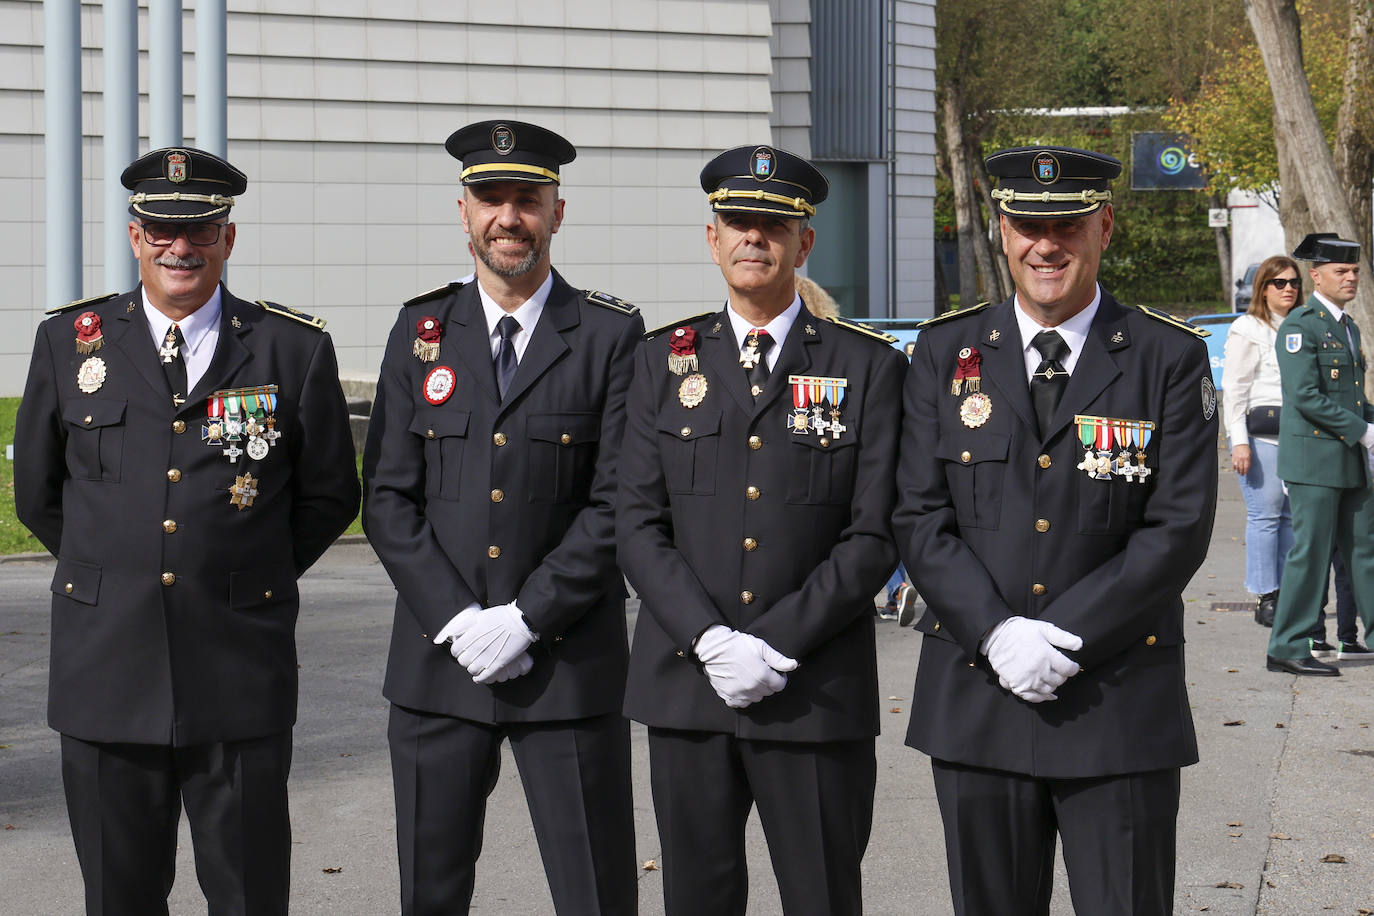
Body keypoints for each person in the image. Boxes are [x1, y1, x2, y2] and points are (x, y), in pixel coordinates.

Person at [13, 147, 360, 914]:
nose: (180, 247)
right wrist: (116, 565)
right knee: (119, 895)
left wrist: (246, 569)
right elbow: (40, 493)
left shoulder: (291, 350)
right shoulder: (71, 345)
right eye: (161, 229)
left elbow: (330, 494)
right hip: (107, 669)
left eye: (199, 230)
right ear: (135, 237)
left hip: (237, 664)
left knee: (248, 893)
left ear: (227, 239)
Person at [894, 145, 1219, 915]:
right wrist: (999, 634)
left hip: (1117, 705)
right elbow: (917, 511)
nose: (1048, 245)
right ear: (1003, 232)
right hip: (978, 695)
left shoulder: (1167, 356)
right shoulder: (946, 351)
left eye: (1068, 225)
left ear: (1104, 226)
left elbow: (1177, 528)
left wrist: (1060, 636)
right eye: (1028, 225)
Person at [616, 145, 906, 914]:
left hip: (813, 687)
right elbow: (637, 523)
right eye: (738, 222)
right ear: (711, 239)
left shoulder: (868, 367)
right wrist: (711, 641)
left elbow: (875, 531)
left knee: (822, 895)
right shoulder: (658, 363)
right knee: (696, 898)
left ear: (804, 243)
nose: (755, 237)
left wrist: (776, 645)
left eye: (774, 225)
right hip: (688, 683)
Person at [361, 120, 641, 915]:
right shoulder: (420, 333)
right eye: (491, 200)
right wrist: (457, 619)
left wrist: (527, 618)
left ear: (559, 212)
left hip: (569, 670)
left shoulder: (611, 336)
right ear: (463, 212)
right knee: (431, 894)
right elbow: (386, 495)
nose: (508, 217)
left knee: (595, 894)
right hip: (437, 668)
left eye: (527, 199)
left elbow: (617, 500)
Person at [1267, 233, 1374, 676]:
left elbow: (1350, 395)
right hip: (1314, 460)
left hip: (1348, 456)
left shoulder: (1347, 326)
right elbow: (1306, 396)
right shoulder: (1301, 324)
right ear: (1317, 276)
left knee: (1365, 549)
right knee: (1310, 552)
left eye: (1354, 271)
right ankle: (1287, 645)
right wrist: (1364, 431)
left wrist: (1368, 420)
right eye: (1341, 272)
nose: (1351, 278)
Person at [1222, 255, 1299, 626]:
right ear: (1263, 289)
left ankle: (1287, 591)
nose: (1288, 289)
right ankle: (1265, 595)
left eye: (1294, 282)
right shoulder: (1248, 327)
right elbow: (1234, 390)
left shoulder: (1301, 325)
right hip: (1261, 435)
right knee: (1266, 516)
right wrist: (1238, 441)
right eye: (1279, 283)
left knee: (1289, 519)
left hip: (1300, 436)